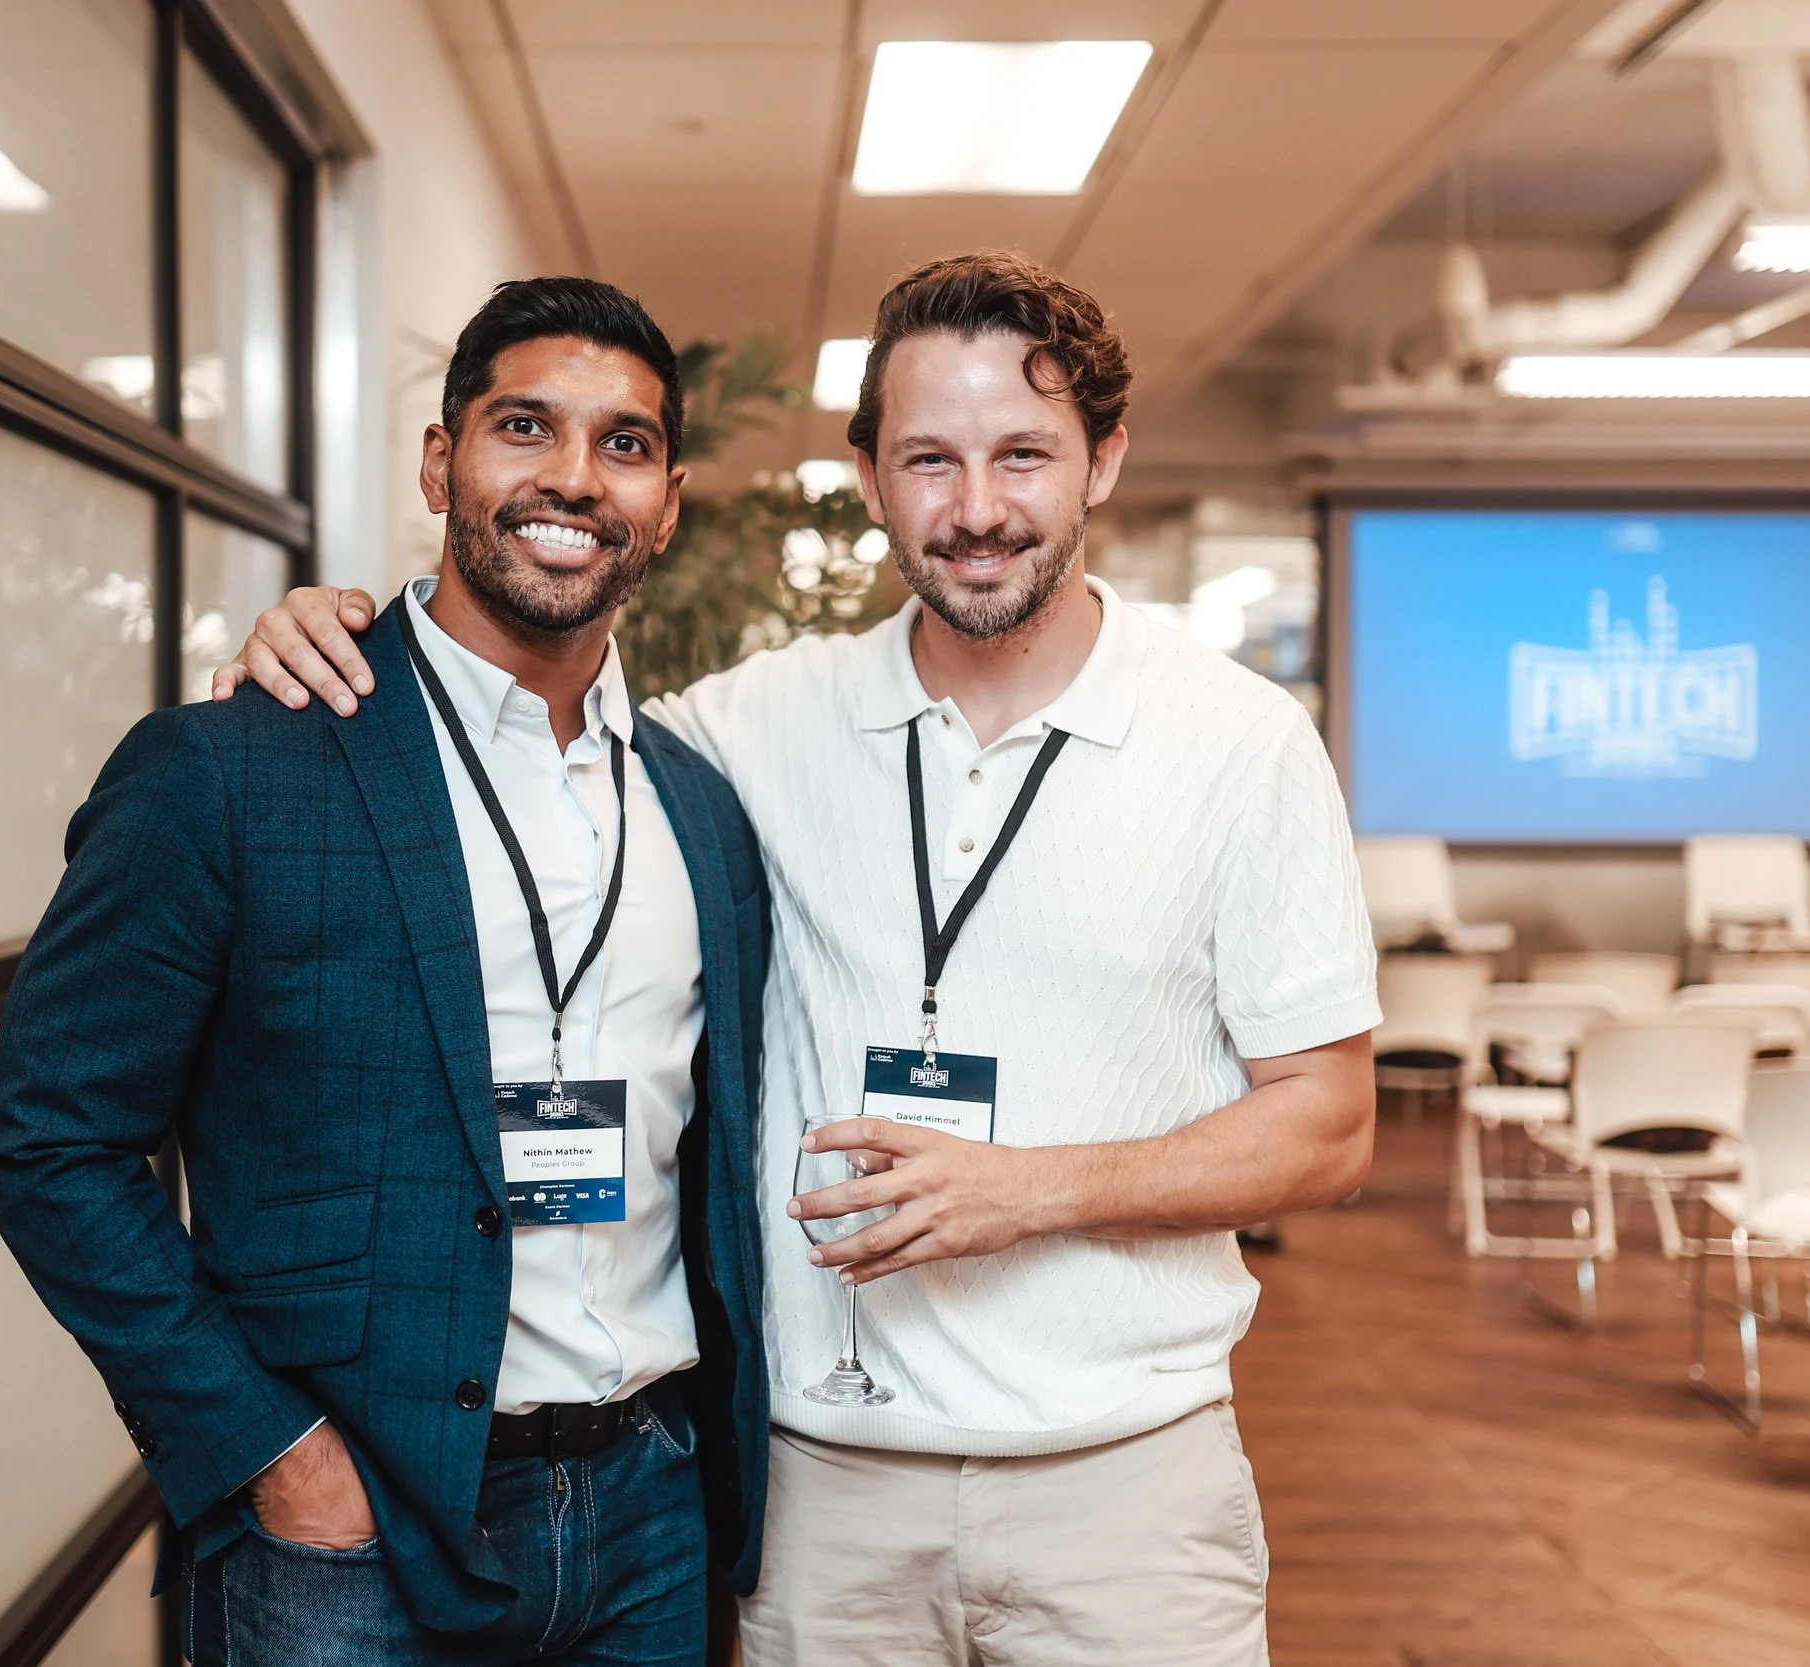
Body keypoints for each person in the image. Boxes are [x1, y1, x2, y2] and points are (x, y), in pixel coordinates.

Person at [217, 251, 1381, 1666]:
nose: (977, 509)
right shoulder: (742, 731)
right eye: (929, 460)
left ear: (1104, 461)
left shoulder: (1243, 744)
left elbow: (1329, 1124)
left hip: (1126, 1481)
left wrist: (1034, 1190)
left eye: (1024, 455)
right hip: (824, 1490)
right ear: (870, 478)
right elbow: (528, 713)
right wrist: (334, 634)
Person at [0, 276, 770, 1667]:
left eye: (624, 444)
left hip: (649, 1507)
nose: (572, 478)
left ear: (671, 497)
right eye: (524, 426)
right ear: (439, 459)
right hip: (358, 1526)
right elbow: (50, 1140)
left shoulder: (700, 808)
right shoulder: (240, 762)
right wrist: (272, 1451)